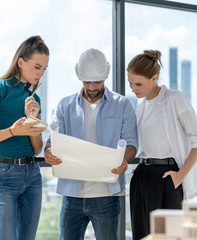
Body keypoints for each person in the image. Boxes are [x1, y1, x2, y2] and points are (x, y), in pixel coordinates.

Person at [44, 48, 138, 240]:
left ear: (106, 76)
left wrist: (125, 160)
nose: (93, 87)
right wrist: (48, 151)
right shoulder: (64, 105)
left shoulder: (123, 104)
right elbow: (53, 138)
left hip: (107, 196)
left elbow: (131, 143)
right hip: (72, 196)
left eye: (98, 81)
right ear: (79, 76)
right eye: (88, 82)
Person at [0, 36, 49, 240]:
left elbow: (37, 148)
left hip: (32, 176)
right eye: (37, 67)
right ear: (21, 62)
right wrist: (12, 131)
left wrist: (33, 119)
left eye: (44, 69)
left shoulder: (34, 100)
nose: (40, 74)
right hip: (2, 177)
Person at [127, 50, 197, 240]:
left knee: (168, 235)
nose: (133, 88)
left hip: (167, 176)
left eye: (138, 84)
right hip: (143, 175)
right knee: (142, 234)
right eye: (130, 83)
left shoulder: (175, 99)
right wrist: (143, 166)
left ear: (154, 78)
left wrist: (180, 175)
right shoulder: (141, 106)